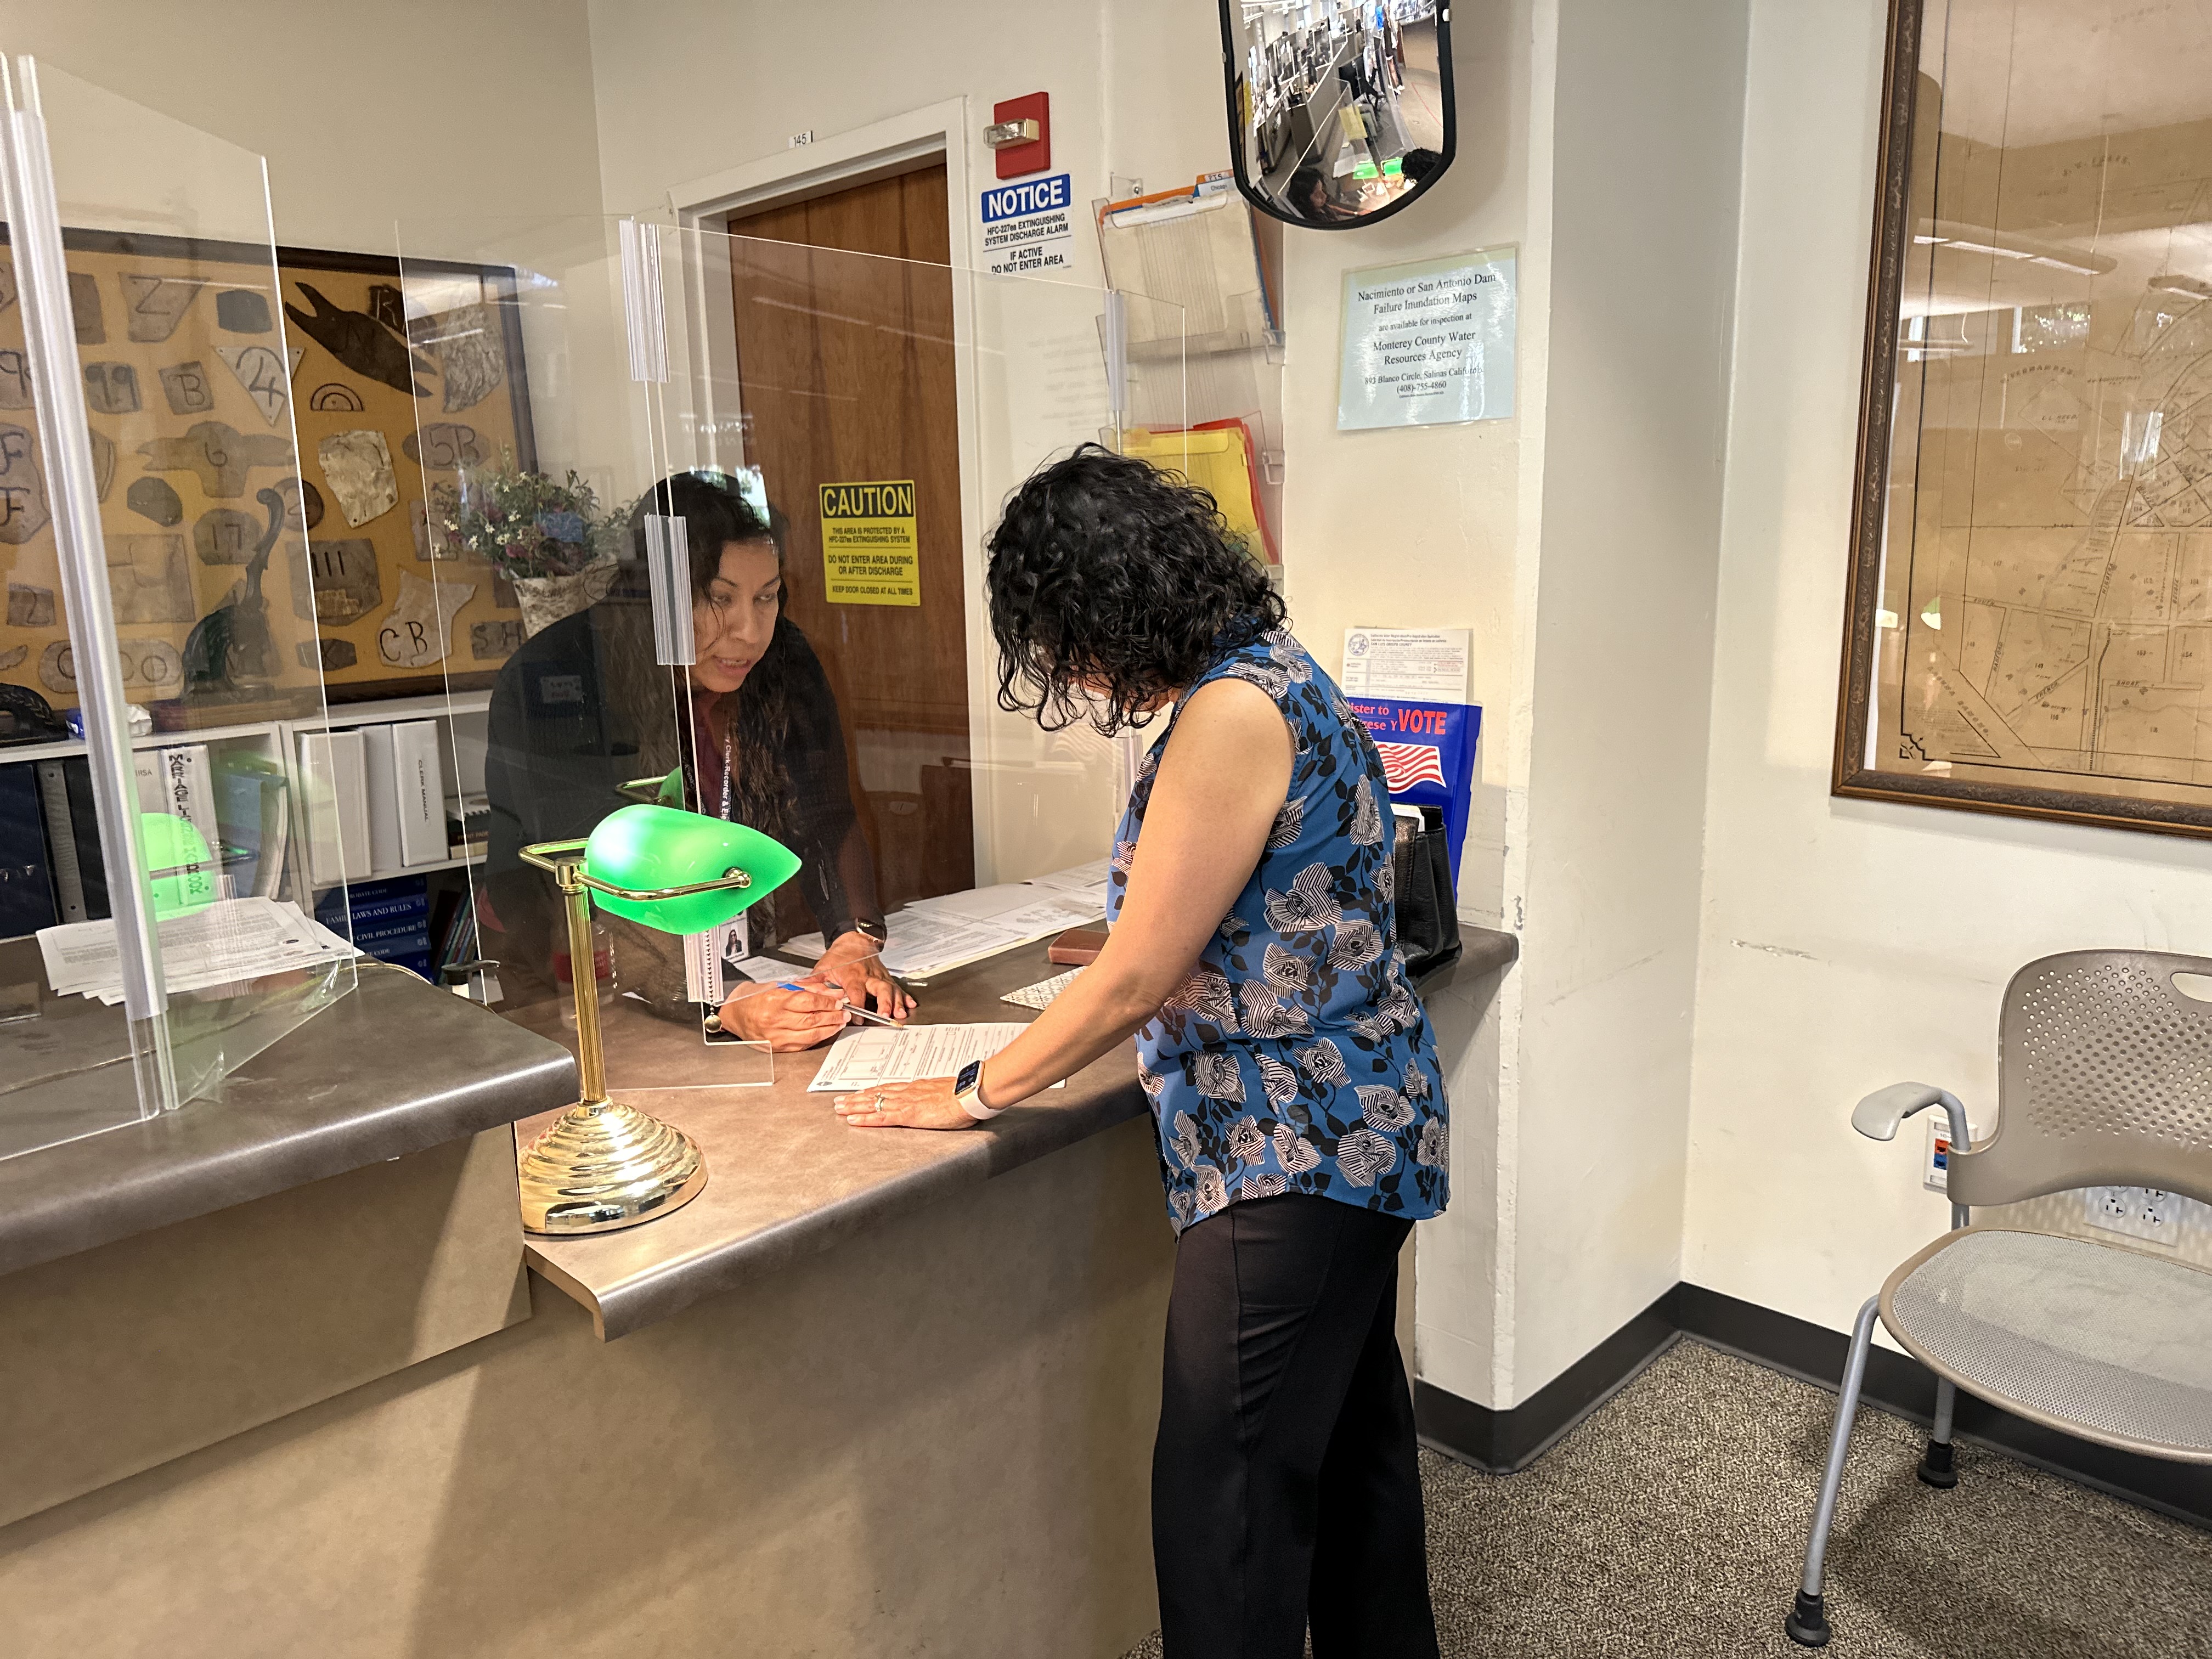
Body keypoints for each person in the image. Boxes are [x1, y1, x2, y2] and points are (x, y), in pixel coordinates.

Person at [838, 444, 1447, 1657]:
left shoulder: (1228, 711)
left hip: (1292, 1153)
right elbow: (1244, 908)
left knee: (1223, 1512)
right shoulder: (1272, 671)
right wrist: (1135, 938)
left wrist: (971, 1090)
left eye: (1065, 642)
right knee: (1351, 1471)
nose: (1072, 674)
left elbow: (1136, 979)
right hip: (1359, 1136)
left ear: (1109, 606)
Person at [484, 469, 909, 1049]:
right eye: (720, 598)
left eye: (767, 597)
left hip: (742, 972)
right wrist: (722, 998)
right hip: (586, 998)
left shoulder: (785, 658)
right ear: (655, 592)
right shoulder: (558, 674)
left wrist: (854, 940)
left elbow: (828, 816)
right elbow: (605, 871)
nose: (750, 631)